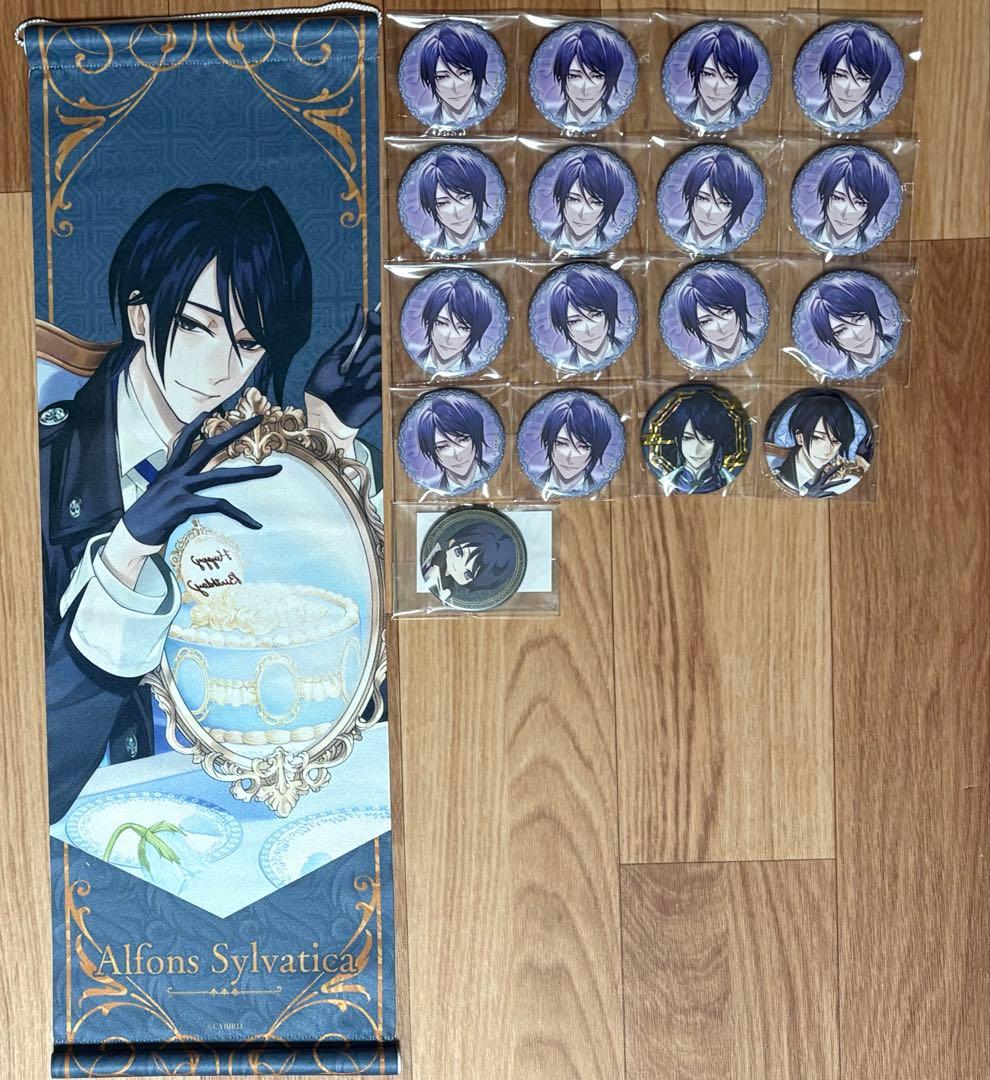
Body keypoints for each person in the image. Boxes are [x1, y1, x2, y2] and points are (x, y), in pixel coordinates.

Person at [39, 183, 382, 822]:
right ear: (141, 316)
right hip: (109, 823)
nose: (222, 369)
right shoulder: (45, 469)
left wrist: (327, 445)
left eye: (249, 343)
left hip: (261, 806)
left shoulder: (267, 449)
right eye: (197, 326)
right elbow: (33, 777)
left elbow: (353, 657)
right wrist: (128, 550)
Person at [770, 390, 871, 497]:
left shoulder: (843, 477)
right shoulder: (777, 467)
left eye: (836, 441)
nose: (827, 451)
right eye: (817, 438)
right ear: (800, 438)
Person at [647, 388, 744, 495]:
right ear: (678, 440)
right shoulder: (668, 481)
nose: (696, 451)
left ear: (717, 443)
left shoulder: (727, 480)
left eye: (707, 439)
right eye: (688, 438)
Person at [807, 273, 894, 376]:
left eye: (859, 318)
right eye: (840, 331)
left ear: (872, 313)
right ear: (830, 340)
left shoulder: (898, 345)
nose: (857, 335)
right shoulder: (841, 372)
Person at [545, 264, 627, 371]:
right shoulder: (564, 362)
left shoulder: (627, 353)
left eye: (596, 315)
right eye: (574, 321)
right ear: (562, 326)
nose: (589, 331)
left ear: (609, 312)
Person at [421, 519, 519, 605]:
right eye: (459, 552)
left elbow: (447, 592)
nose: (458, 566)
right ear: (452, 541)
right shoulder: (438, 556)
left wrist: (446, 592)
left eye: (468, 574)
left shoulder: (451, 588)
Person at [676, 266, 757, 368]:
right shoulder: (698, 362)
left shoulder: (763, 348)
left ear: (739, 308)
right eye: (705, 322)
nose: (721, 329)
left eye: (726, 312)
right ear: (693, 328)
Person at [535, 393, 615, 496]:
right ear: (548, 442)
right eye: (561, 443)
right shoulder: (536, 481)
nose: (570, 458)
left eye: (584, 447)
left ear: (596, 449)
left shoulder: (597, 489)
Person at [548, 149, 626, 253]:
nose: (582, 214)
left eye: (596, 202)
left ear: (609, 206)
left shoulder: (609, 244)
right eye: (573, 199)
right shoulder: (550, 238)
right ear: (560, 198)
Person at [675, 149, 754, 252]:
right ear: (690, 195)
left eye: (725, 203)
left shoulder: (735, 244)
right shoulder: (675, 236)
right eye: (702, 198)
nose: (710, 213)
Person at [550, 22, 625, 129]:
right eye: (574, 76)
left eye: (597, 76)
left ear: (610, 79)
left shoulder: (616, 121)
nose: (585, 89)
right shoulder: (552, 116)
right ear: (561, 77)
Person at [816, 24, 893, 129]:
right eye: (840, 75)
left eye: (863, 79)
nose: (848, 91)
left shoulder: (877, 122)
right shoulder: (814, 113)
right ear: (826, 74)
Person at [417, 148, 493, 253]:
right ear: (430, 208)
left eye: (465, 197)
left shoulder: (496, 236)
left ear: (478, 195)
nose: (457, 213)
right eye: (443, 203)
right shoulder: (431, 245)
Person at [812, 149, 890, 251]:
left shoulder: (869, 245)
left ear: (873, 207)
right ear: (824, 195)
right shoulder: (810, 234)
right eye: (837, 198)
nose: (845, 214)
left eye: (860, 203)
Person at [685, 23, 761, 127]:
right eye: (708, 74)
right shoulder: (683, 113)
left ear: (743, 81)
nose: (717, 88)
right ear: (695, 73)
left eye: (730, 77)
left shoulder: (744, 121)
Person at [417, 274, 494, 375]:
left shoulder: (474, 368)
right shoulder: (415, 361)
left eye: (464, 328)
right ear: (429, 322)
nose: (449, 338)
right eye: (441, 323)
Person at [418, 22, 492, 127]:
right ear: (430, 80)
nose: (455, 87)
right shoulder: (426, 118)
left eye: (464, 73)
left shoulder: (491, 112)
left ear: (477, 72)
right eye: (442, 77)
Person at [415, 391, 492, 492]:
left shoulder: (493, 473)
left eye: (463, 439)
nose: (457, 455)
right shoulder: (434, 487)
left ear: (476, 435)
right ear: (430, 452)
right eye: (442, 447)